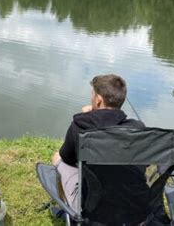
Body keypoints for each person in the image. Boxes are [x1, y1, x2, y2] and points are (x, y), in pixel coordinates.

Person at [51, 74, 145, 211]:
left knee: (57, 158)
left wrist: (87, 116)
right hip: (132, 205)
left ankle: (66, 210)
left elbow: (68, 158)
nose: (91, 97)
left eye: (92, 94)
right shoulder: (138, 128)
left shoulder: (80, 125)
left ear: (99, 100)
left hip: (93, 207)